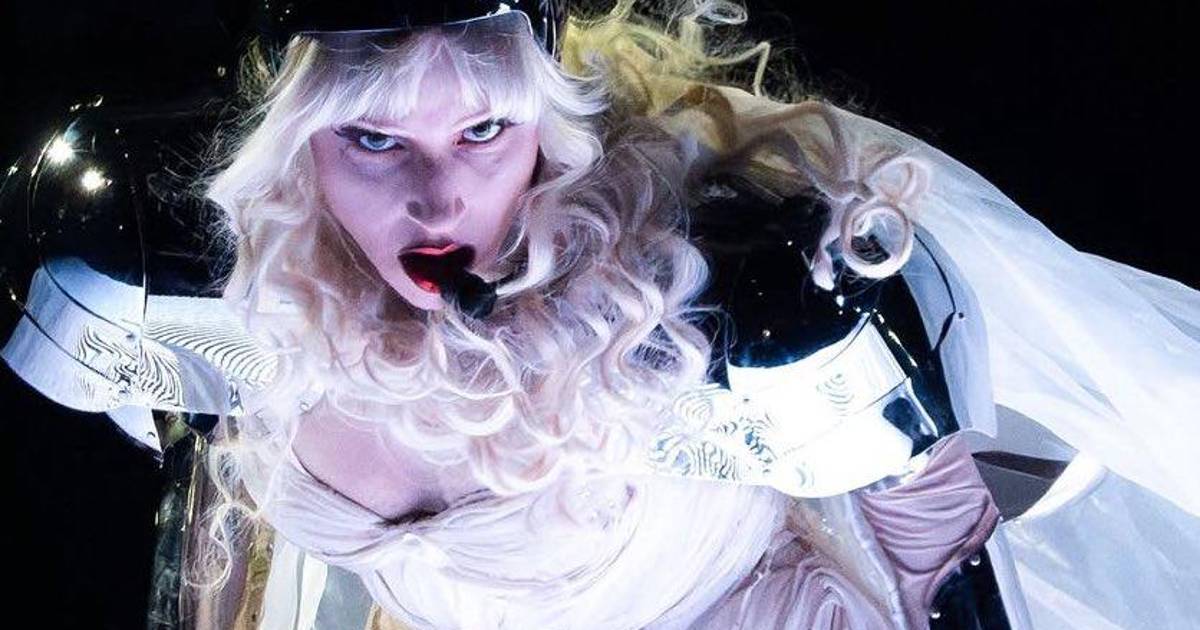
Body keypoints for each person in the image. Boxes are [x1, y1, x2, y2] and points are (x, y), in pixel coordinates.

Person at [2, 0, 1197, 628]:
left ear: (543, 124)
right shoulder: (202, 277)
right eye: (372, 139)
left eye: (483, 130)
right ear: (296, 145)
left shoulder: (725, 292)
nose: (438, 198)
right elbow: (204, 505)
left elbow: (950, 569)